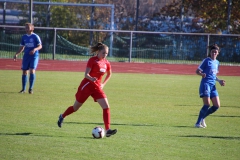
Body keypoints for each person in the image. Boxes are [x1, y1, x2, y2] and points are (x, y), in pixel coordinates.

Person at [57, 42, 117, 137]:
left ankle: (108, 129)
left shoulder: (106, 63)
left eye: (106, 53)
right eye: (103, 53)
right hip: (87, 86)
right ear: (98, 52)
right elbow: (86, 75)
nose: (105, 55)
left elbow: (109, 74)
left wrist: (103, 84)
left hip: (97, 87)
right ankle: (62, 116)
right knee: (75, 107)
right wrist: (91, 78)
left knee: (106, 106)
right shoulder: (92, 60)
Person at [195, 44, 225, 128]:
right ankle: (197, 123)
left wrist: (219, 81)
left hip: (213, 86)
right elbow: (197, 71)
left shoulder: (217, 62)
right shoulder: (206, 60)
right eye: (212, 52)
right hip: (205, 84)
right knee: (207, 104)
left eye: (215, 52)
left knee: (216, 106)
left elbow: (213, 75)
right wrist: (202, 74)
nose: (214, 53)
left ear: (218, 53)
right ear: (210, 52)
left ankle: (202, 118)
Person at [13, 23, 42, 94]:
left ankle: (31, 89)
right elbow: (22, 47)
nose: (26, 29)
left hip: (34, 56)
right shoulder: (24, 37)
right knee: (24, 71)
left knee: (32, 70)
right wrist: (17, 54)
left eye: (28, 27)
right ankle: (23, 89)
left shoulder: (35, 36)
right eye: (25, 27)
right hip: (26, 56)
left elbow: (40, 46)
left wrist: (34, 49)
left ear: (32, 28)